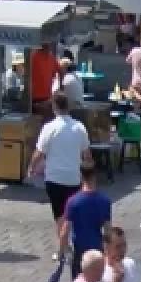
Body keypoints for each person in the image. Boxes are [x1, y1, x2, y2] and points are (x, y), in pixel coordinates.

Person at [30, 92, 90, 261]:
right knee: (71, 214)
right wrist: (88, 174)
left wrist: (32, 168)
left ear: (54, 107)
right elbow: (87, 154)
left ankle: (63, 249)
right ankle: (70, 244)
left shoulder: (49, 128)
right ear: (69, 106)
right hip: (74, 177)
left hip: (54, 178)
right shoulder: (79, 127)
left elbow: (39, 153)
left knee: (59, 216)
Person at [60, 164, 111, 278]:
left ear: (81, 176)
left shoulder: (73, 201)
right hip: (97, 249)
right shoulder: (104, 200)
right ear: (95, 176)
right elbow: (108, 231)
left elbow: (64, 231)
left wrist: (64, 250)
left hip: (79, 250)